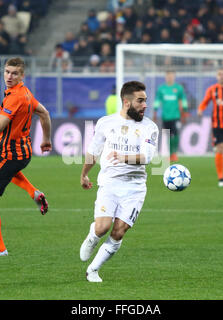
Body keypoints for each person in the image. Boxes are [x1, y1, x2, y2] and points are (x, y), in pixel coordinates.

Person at [79, 81, 159, 282]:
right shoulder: (106, 123)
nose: (145, 105)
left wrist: (124, 157)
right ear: (126, 102)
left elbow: (148, 157)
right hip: (110, 183)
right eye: (140, 101)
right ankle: (93, 235)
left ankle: (93, 270)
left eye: (145, 101)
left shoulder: (150, 127)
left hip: (135, 187)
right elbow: (94, 151)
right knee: (102, 228)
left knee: (119, 231)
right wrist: (84, 174)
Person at [0, 57, 52, 256]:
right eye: (7, 72)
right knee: (7, 173)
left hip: (10, 154)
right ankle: (33, 192)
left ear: (22, 75)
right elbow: (44, 113)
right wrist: (46, 139)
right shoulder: (25, 93)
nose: (9, 76)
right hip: (23, 152)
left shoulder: (15, 97)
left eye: (14, 73)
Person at [197, 67, 223, 187]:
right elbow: (205, 101)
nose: (222, 76)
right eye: (219, 74)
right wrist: (200, 109)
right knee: (219, 148)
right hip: (217, 125)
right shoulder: (212, 89)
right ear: (217, 76)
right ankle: (221, 178)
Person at [153, 70, 188, 162]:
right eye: (168, 76)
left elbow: (183, 99)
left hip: (176, 116)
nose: (169, 77)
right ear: (165, 77)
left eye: (171, 76)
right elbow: (157, 100)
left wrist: (184, 111)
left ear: (174, 77)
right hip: (165, 116)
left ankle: (174, 153)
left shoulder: (178, 88)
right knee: (168, 135)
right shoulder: (161, 88)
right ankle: (170, 154)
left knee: (175, 134)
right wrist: (155, 112)